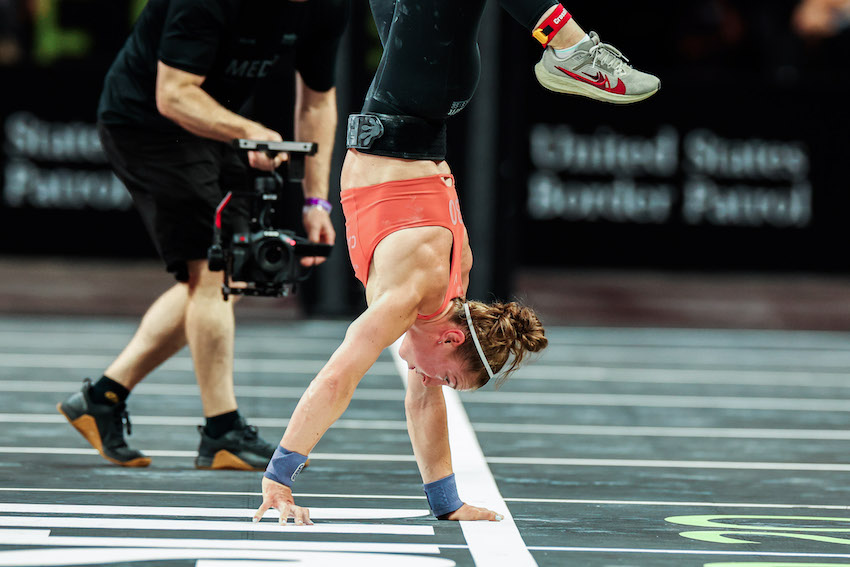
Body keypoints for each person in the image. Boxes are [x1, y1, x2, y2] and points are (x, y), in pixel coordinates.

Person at [252, 0, 657, 525]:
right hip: (418, 96)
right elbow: (337, 380)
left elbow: (423, 404)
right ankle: (570, 47)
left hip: (417, 101)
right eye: (451, 380)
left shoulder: (441, 308)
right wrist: (278, 478)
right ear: (452, 339)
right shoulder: (414, 298)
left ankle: (567, 45)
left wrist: (448, 503)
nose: (436, 385)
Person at [57, 0, 349, 471]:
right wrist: (248, 130)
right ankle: (221, 429)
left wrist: (316, 202)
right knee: (215, 272)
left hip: (213, 129)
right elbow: (173, 93)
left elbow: (318, 100)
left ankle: (102, 398)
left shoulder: (326, 9)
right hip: (145, 124)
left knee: (223, 273)